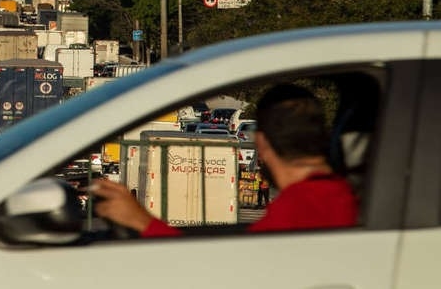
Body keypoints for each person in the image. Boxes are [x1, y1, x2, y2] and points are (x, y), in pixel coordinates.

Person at [91, 83, 359, 236]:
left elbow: (226, 273)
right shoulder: (345, 195)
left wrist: (143, 223)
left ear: (262, 143)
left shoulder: (297, 212)